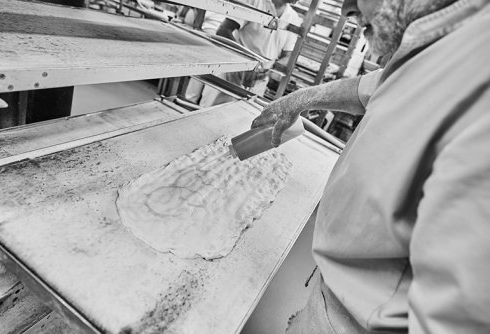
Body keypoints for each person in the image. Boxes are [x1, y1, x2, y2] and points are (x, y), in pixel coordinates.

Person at [251, 0, 490, 333]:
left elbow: (456, 317)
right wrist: (299, 99)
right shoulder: (437, 44)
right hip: (332, 299)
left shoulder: (479, 71)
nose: (347, 8)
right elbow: (372, 88)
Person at [199, 0, 302, 107]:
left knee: (241, 120)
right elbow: (223, 31)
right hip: (231, 73)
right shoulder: (255, 1)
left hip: (259, 82)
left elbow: (287, 55)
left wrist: (269, 70)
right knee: (208, 114)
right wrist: (247, 64)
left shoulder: (293, 17)